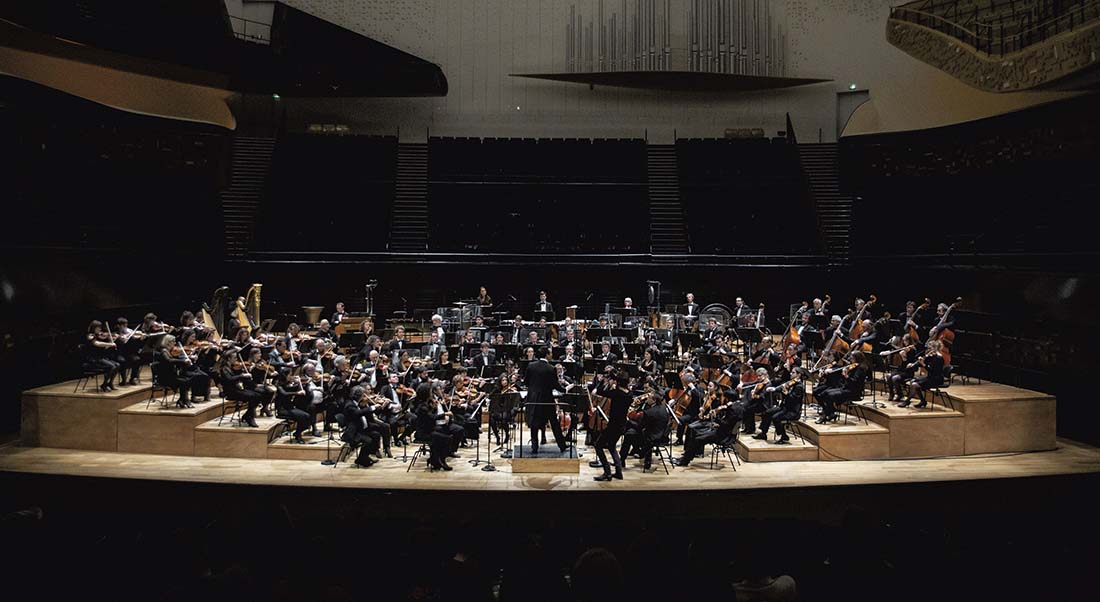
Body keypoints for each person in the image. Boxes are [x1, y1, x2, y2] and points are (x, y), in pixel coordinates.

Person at [673, 394, 743, 467]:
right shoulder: (738, 407)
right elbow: (729, 423)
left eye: (725, 398)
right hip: (725, 433)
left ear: (729, 399)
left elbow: (725, 424)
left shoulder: (732, 410)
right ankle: (686, 458)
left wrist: (716, 417)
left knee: (697, 438)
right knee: (697, 434)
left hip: (723, 436)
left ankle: (685, 460)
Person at [524, 346, 568, 455]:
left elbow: (526, 382)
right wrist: (565, 389)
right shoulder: (550, 368)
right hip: (546, 400)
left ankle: (534, 447)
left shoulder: (531, 366)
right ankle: (562, 445)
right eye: (550, 353)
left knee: (534, 424)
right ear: (547, 355)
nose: (551, 355)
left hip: (533, 399)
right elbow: (555, 385)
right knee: (554, 422)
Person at [592, 369, 630, 481]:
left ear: (618, 382)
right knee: (611, 445)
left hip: (613, 425)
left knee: (598, 445)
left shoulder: (616, 393)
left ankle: (607, 472)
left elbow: (599, 391)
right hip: (622, 424)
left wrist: (602, 381)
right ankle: (618, 472)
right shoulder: (629, 394)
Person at [621, 389, 671, 471]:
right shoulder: (664, 409)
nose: (647, 399)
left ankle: (622, 459)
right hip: (662, 436)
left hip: (650, 438)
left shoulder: (649, 412)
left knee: (629, 434)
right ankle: (642, 455)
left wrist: (629, 421)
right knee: (631, 431)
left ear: (654, 400)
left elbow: (640, 427)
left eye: (649, 398)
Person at [754, 370, 805, 444]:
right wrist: (774, 389)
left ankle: (784, 436)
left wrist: (786, 394)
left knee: (775, 417)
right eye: (791, 372)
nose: (790, 373)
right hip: (784, 407)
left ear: (799, 375)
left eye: (793, 372)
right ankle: (763, 433)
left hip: (792, 410)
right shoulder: (791, 382)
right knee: (768, 412)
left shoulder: (799, 387)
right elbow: (782, 387)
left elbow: (794, 401)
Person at [815, 351, 867, 423]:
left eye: (852, 358)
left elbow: (854, 382)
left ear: (857, 358)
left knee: (829, 394)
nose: (850, 359)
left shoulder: (860, 369)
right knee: (825, 393)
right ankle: (831, 413)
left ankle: (825, 416)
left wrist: (846, 376)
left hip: (854, 391)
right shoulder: (853, 366)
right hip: (846, 388)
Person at [219, 348, 264, 425]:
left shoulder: (232, 367)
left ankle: (247, 415)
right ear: (229, 358)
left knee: (258, 395)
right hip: (230, 392)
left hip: (237, 389)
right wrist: (242, 375)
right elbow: (230, 379)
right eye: (234, 358)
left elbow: (238, 376)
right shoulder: (224, 369)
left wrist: (246, 373)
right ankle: (249, 417)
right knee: (253, 396)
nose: (236, 359)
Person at [340, 386, 377, 468]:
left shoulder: (356, 403)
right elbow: (358, 413)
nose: (365, 396)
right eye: (363, 395)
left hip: (360, 429)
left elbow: (363, 412)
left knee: (376, 435)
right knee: (368, 441)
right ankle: (361, 459)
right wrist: (372, 407)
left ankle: (363, 457)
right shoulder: (350, 405)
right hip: (352, 432)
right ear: (359, 396)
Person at [903, 340, 946, 408]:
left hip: (936, 379)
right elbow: (923, 364)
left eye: (929, 348)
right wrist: (913, 364)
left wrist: (923, 364)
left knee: (915, 384)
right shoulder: (931, 356)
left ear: (934, 348)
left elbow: (932, 370)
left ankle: (907, 401)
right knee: (913, 381)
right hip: (930, 377)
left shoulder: (939, 358)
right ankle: (923, 401)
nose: (928, 350)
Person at [84, 320, 120, 392]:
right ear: (94, 328)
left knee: (117, 365)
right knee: (112, 366)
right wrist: (110, 344)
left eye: (100, 327)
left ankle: (110, 383)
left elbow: (103, 346)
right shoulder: (90, 336)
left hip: (101, 357)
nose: (100, 329)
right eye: (98, 328)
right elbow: (97, 344)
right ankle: (104, 384)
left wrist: (112, 340)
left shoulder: (99, 335)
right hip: (93, 359)